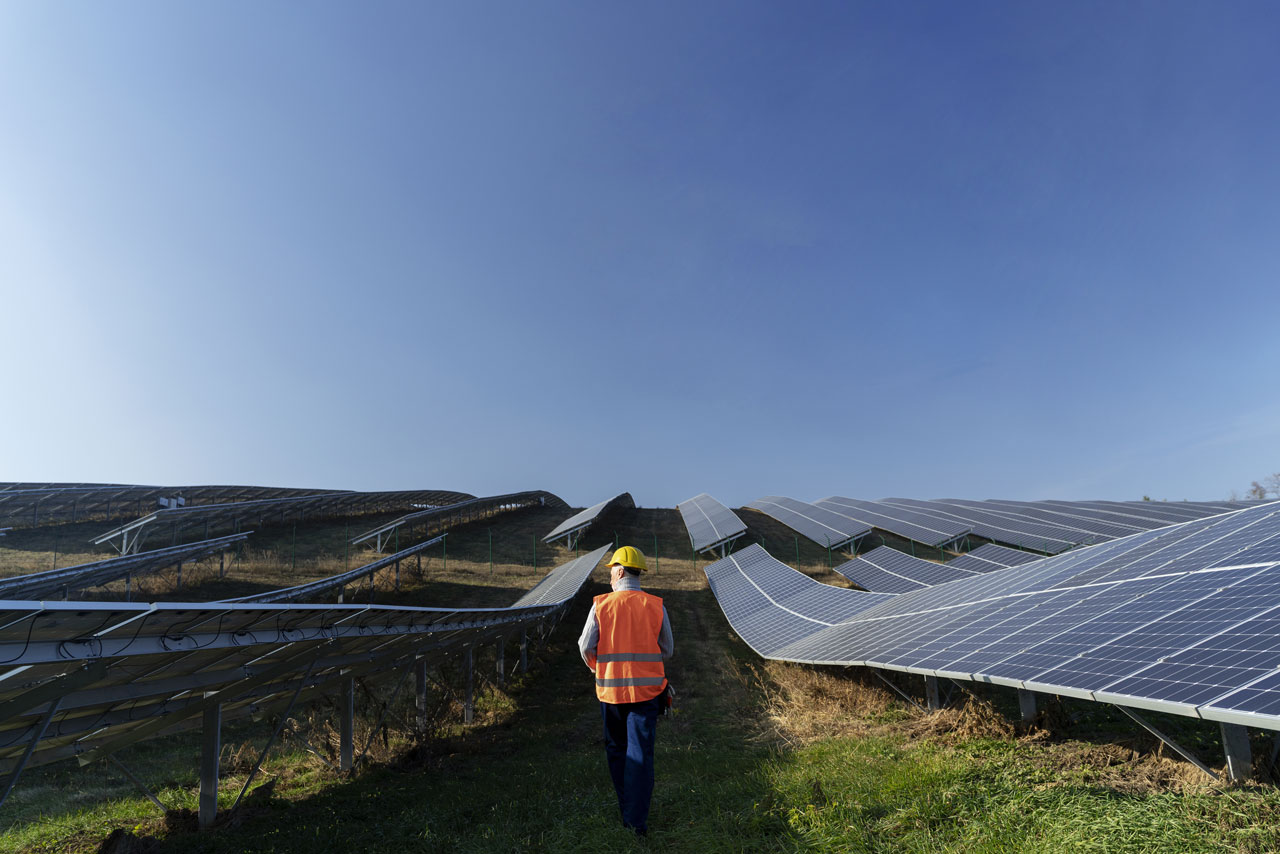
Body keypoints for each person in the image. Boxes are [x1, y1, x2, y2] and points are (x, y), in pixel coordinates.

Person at [578, 546, 674, 836]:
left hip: (610, 695)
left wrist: (599, 668)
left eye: (610, 571)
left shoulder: (601, 605)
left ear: (620, 571)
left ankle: (627, 811)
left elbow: (585, 646)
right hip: (647, 694)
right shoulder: (656, 605)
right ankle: (636, 822)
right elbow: (667, 649)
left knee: (618, 752)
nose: (608, 577)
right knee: (641, 755)